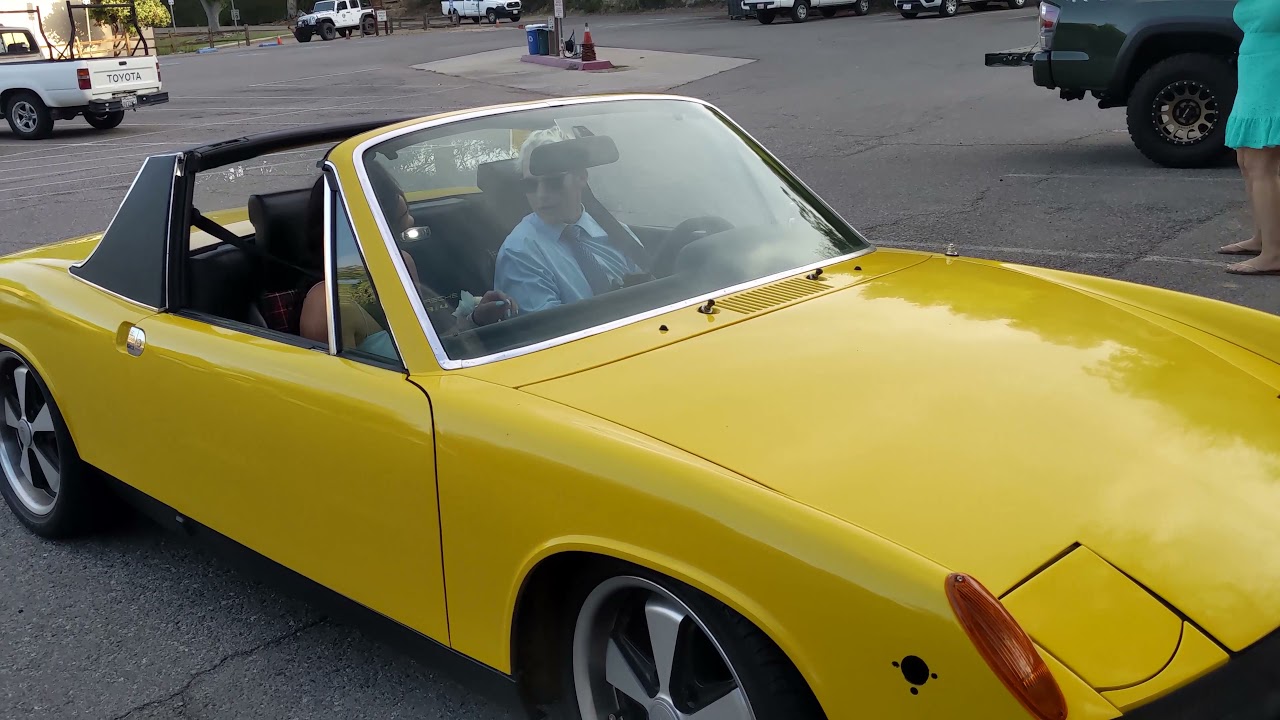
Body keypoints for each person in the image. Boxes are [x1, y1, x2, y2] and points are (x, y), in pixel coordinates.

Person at [298, 167, 516, 354]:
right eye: (399, 223)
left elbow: (426, 348)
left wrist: (476, 320)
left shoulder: (403, 263)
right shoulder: (327, 306)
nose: (411, 222)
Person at [494, 127, 646, 313]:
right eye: (530, 184)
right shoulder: (519, 252)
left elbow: (651, 291)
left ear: (581, 177)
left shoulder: (615, 231)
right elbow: (549, 327)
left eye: (553, 182)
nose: (541, 195)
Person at [1218, 0, 1280, 276]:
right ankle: (1262, 239)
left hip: (1275, 72)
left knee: (1262, 163)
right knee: (1245, 160)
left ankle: (1275, 254)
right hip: (1255, 70)